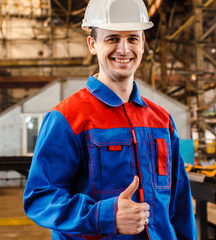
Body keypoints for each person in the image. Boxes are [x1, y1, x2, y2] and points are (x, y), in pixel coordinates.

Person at [23, 0, 197, 239]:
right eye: (112, 38)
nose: (124, 49)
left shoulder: (161, 120)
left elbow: (179, 203)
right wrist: (104, 216)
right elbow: (40, 198)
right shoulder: (67, 117)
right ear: (93, 44)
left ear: (143, 44)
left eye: (132, 39)